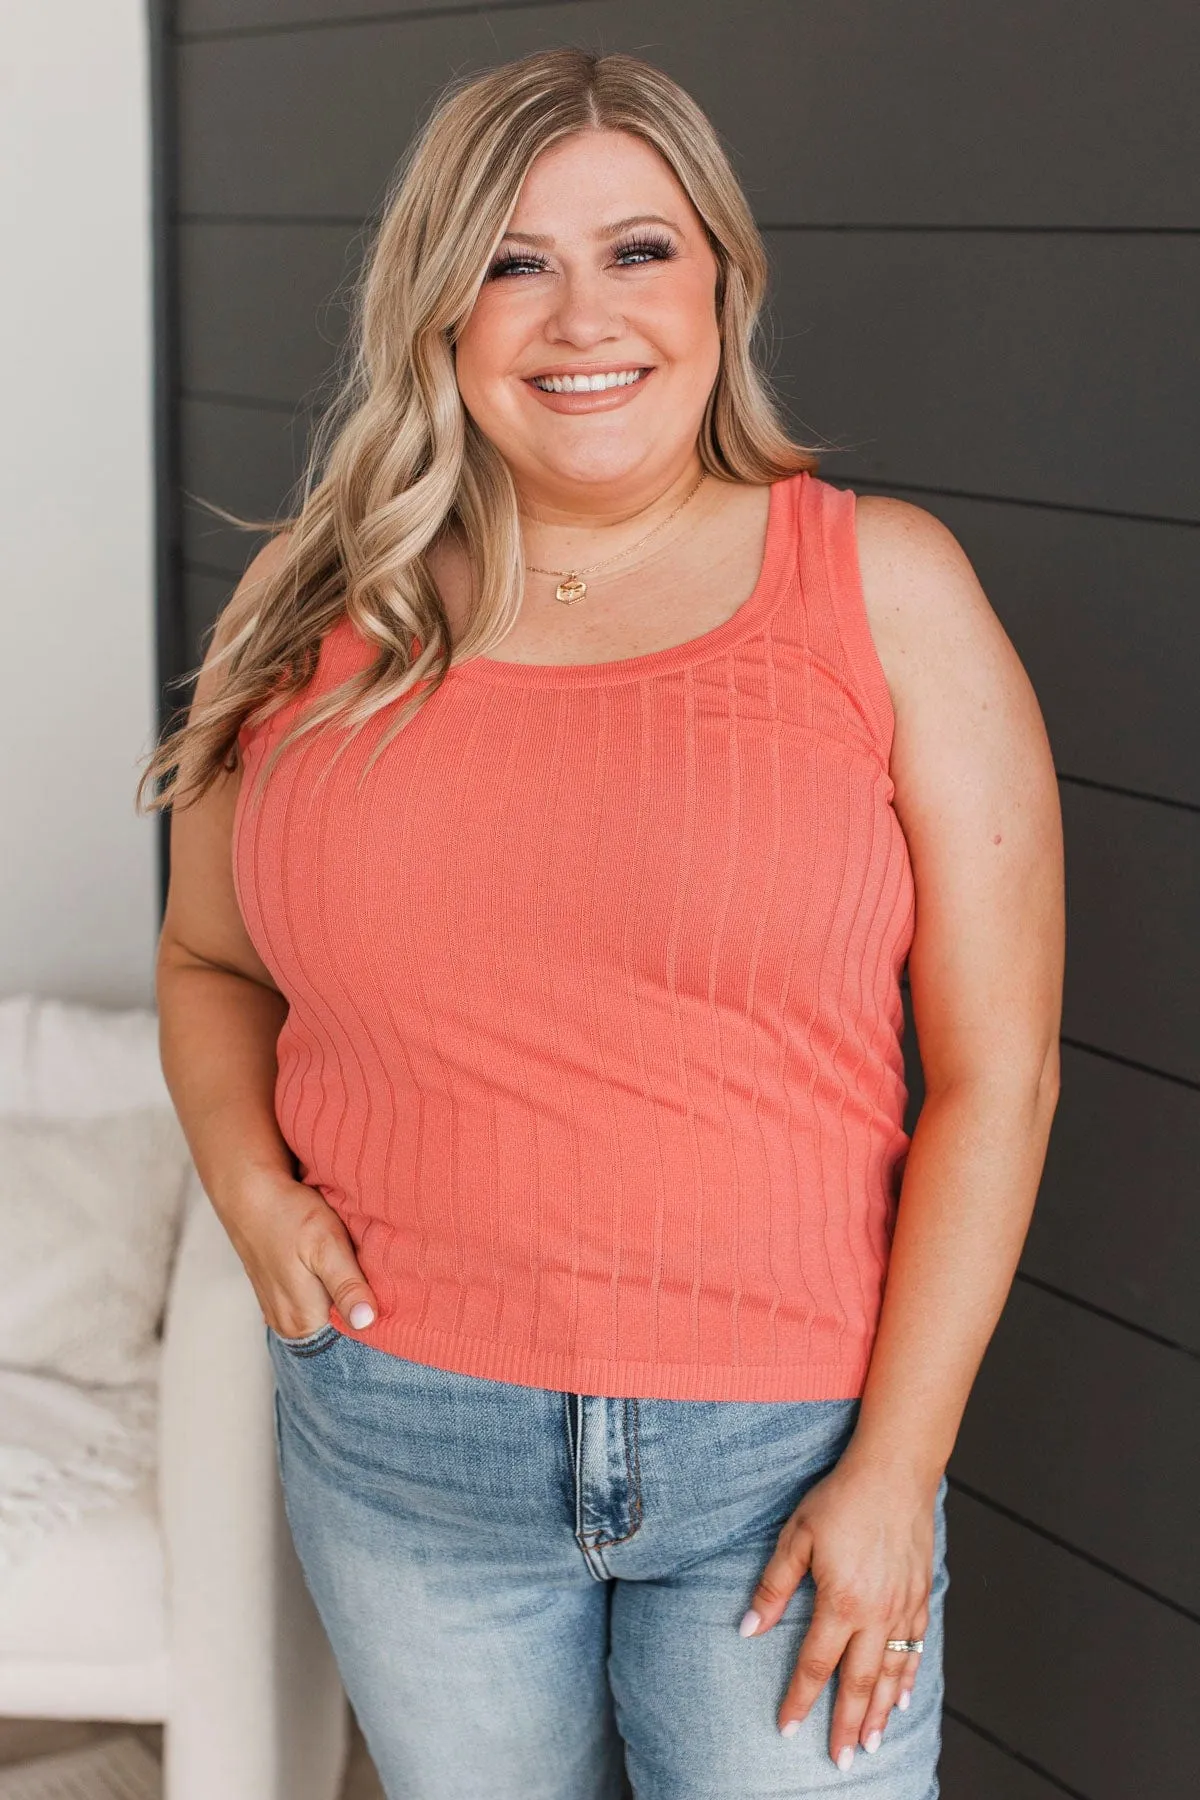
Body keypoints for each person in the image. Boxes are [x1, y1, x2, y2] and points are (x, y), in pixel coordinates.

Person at [139, 46, 1064, 1800]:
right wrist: (248, 1191)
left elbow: (998, 1078)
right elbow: (208, 962)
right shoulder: (309, 604)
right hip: (403, 1436)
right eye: (511, 259)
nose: (581, 315)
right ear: (437, 307)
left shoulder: (886, 588)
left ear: (723, 277)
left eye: (638, 249)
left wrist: (896, 1477)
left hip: (787, 1457)